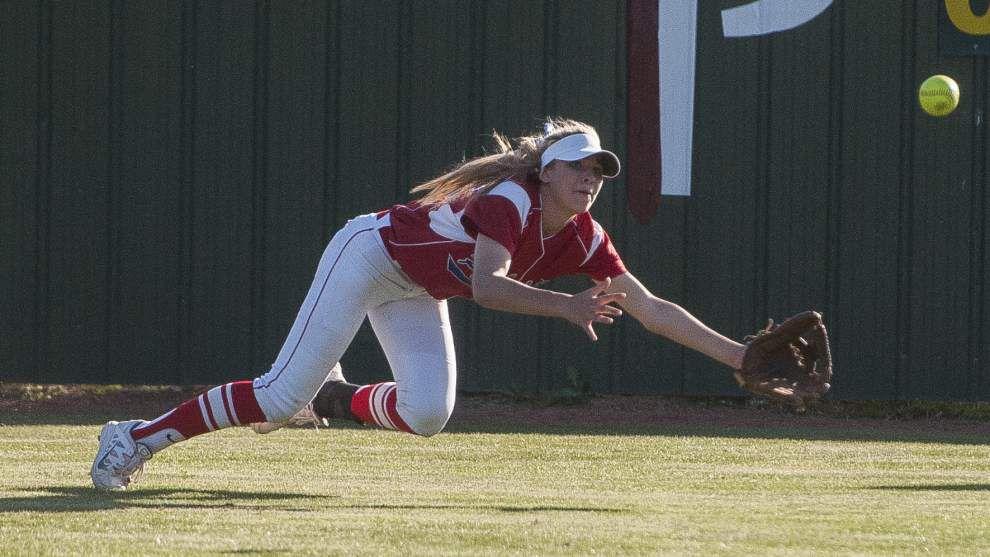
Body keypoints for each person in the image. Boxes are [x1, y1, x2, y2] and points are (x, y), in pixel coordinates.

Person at [91, 117, 748, 490]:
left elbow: (650, 305)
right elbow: (488, 286)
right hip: (370, 254)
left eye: (599, 171)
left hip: (418, 286)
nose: (589, 179)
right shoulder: (510, 200)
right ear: (545, 170)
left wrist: (740, 356)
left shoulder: (585, 235)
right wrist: (567, 308)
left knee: (429, 411)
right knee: (273, 397)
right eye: (578, 167)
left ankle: (332, 398)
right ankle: (133, 438)